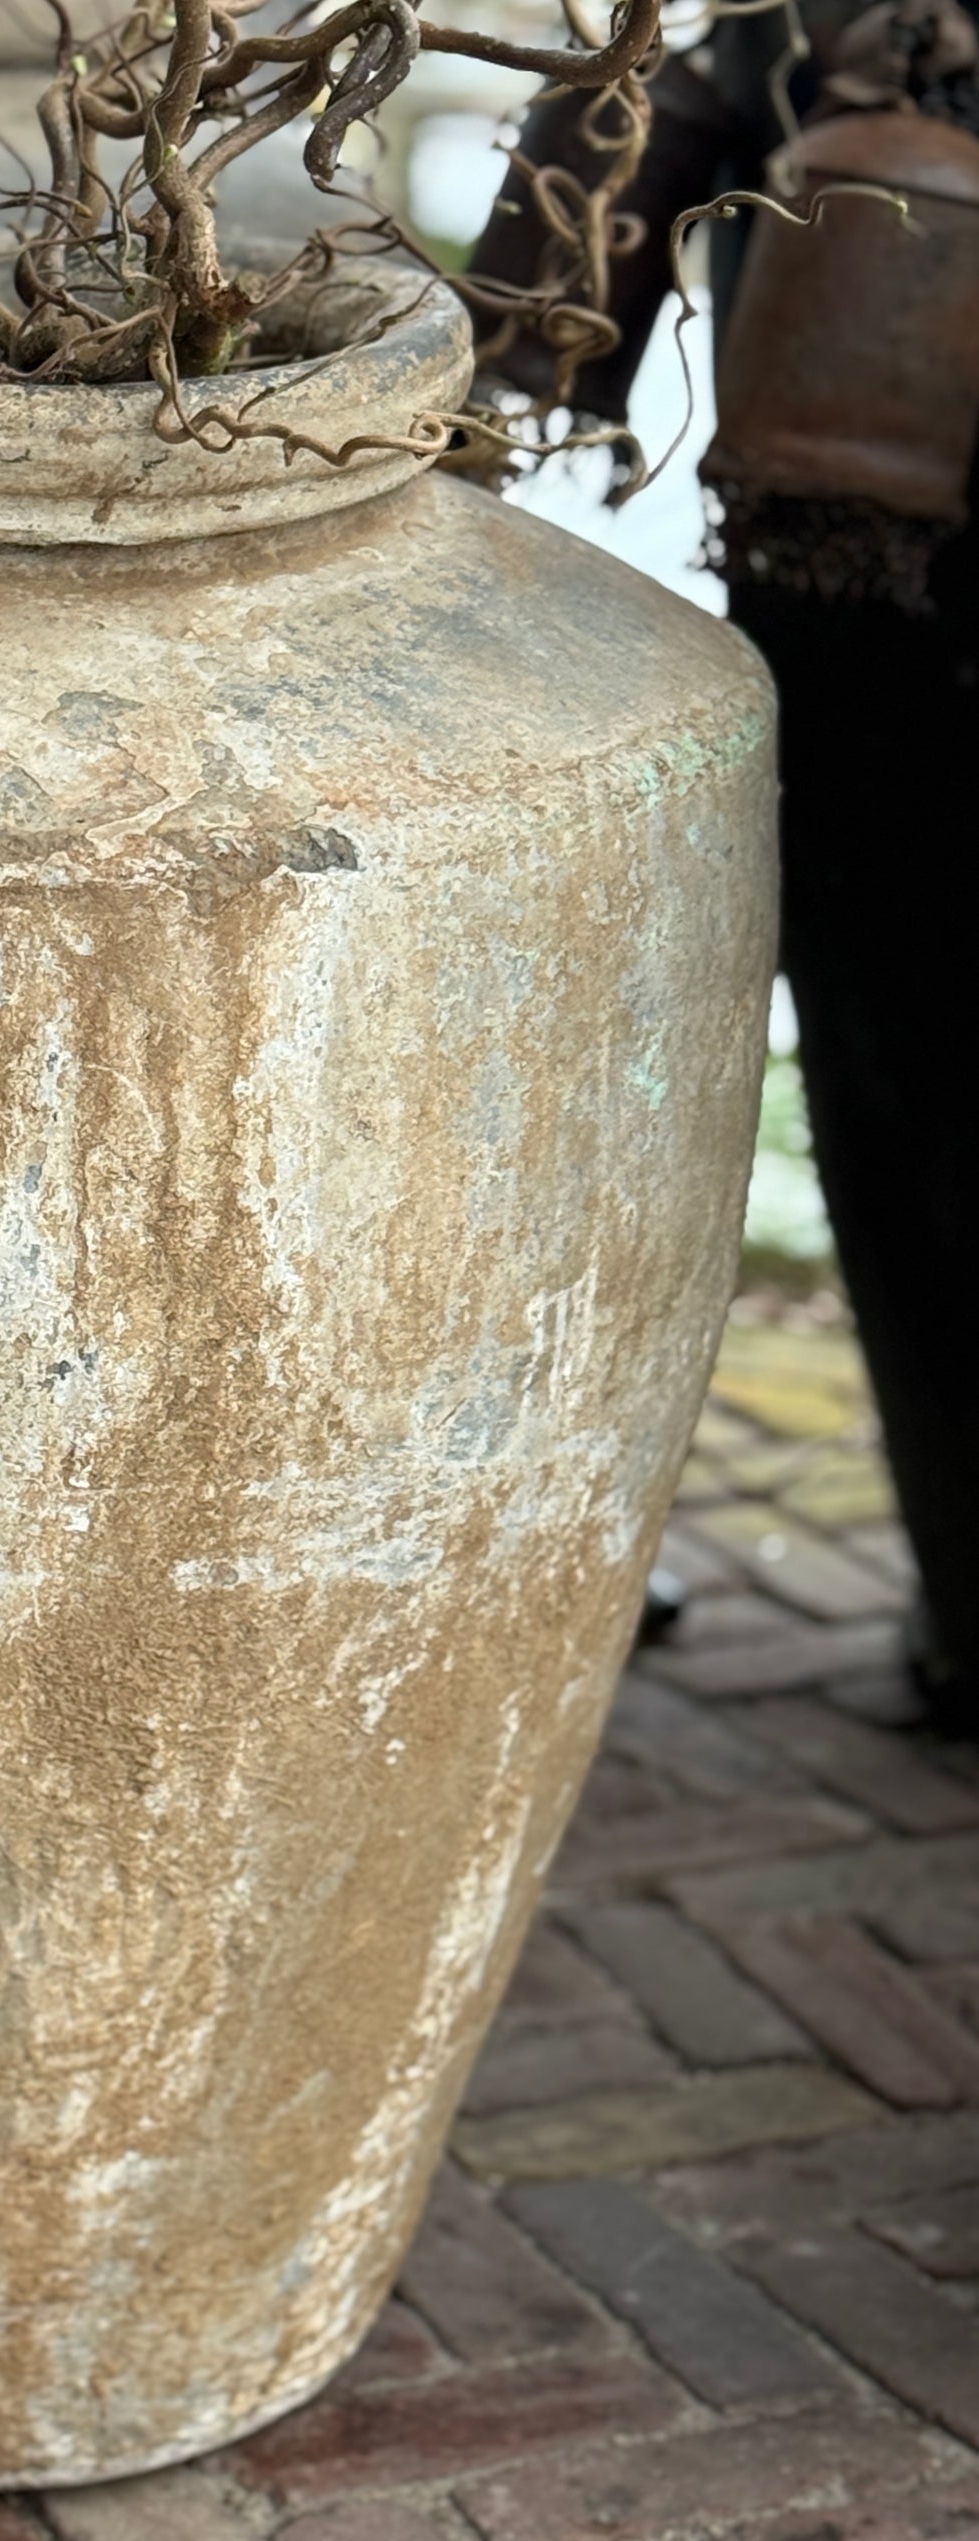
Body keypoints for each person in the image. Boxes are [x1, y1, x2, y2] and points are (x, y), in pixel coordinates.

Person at [471, 0, 978, 1733]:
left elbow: (550, 283)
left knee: (906, 1108)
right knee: (905, 1098)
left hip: (867, 606)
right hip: (868, 616)